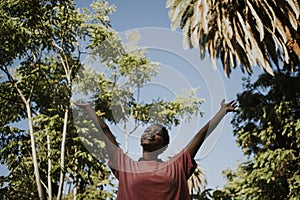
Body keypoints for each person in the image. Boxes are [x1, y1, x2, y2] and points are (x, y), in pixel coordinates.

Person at [75, 99, 237, 200]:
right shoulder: (126, 167)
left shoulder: (177, 165)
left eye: (157, 134)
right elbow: (105, 131)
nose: (150, 134)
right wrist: (90, 110)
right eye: (147, 131)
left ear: (164, 145)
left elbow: (200, 136)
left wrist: (221, 112)